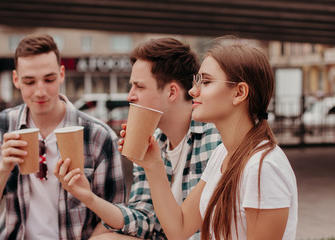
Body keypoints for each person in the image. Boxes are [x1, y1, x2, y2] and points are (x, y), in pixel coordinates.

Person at [119, 37, 298, 240]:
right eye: (197, 81)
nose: (193, 90)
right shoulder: (223, 154)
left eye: (206, 81)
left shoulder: (263, 167)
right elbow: (179, 228)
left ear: (239, 92)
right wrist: (152, 165)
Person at [54, 37, 222, 239]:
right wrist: (89, 198)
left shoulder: (215, 140)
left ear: (171, 92)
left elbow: (215, 228)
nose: (129, 96)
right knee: (102, 237)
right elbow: (144, 220)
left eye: (139, 87)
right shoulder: (152, 140)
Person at [0, 34, 125, 239]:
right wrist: (3, 168)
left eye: (49, 79)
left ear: (62, 74)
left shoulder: (98, 136)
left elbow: (116, 216)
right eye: (29, 82)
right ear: (16, 79)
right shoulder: (1, 127)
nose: (40, 91)